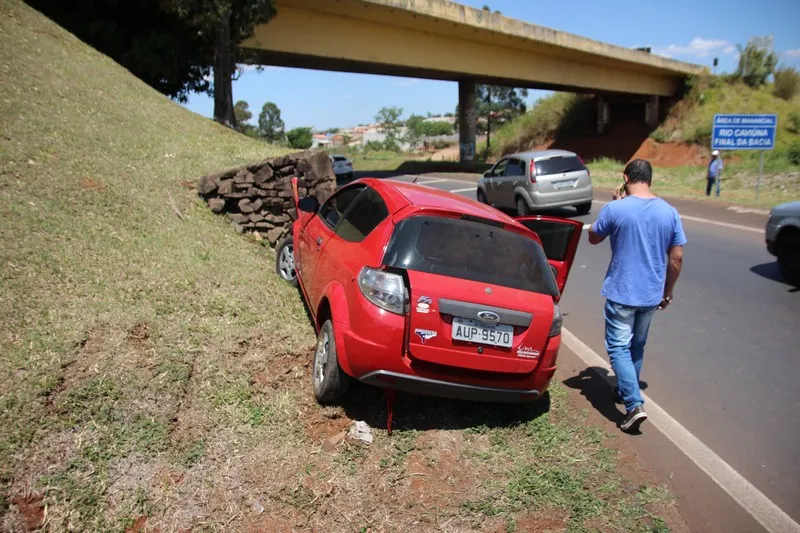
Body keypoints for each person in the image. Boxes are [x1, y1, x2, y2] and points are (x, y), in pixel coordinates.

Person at [588, 159, 686, 432]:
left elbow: (593, 237)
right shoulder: (669, 212)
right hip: (651, 295)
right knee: (636, 347)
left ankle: (633, 405)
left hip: (622, 292)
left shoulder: (616, 209)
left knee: (618, 347)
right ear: (650, 180)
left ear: (625, 177)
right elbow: (676, 258)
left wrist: (613, 205)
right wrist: (668, 290)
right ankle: (623, 390)